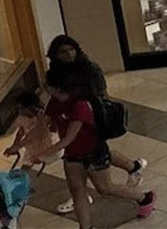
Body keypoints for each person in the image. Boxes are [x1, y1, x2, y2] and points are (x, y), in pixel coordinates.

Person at [24, 66, 154, 226]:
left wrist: (42, 154)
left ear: (57, 86)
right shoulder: (55, 102)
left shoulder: (80, 105)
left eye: (48, 85)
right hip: (72, 156)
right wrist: (20, 144)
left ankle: (144, 198)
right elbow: (41, 127)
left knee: (105, 188)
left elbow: (67, 139)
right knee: (77, 191)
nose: (45, 87)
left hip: (94, 152)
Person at [46, 36, 146, 201]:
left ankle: (132, 170)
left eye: (72, 49)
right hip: (73, 117)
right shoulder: (55, 73)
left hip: (90, 117)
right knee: (98, 150)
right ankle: (133, 166)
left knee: (95, 150)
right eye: (63, 51)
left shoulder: (89, 69)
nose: (69, 54)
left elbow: (102, 94)